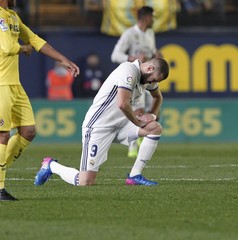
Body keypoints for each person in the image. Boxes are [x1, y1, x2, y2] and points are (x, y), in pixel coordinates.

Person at [34, 57, 169, 187]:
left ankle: (135, 176)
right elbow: (122, 104)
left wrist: (152, 115)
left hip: (122, 124)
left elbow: (158, 97)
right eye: (153, 79)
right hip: (98, 127)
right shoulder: (129, 70)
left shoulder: (146, 78)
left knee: (154, 127)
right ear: (150, 68)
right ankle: (51, 165)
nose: (152, 83)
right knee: (85, 182)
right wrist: (138, 122)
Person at [0, 0, 80, 201]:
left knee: (28, 131)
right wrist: (23, 49)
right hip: (1, 84)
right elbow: (8, 46)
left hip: (14, 85)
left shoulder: (12, 16)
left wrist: (63, 59)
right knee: (2, 134)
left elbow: (35, 39)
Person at [111, 6, 163, 158]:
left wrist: (156, 54)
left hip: (147, 79)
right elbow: (115, 55)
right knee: (138, 111)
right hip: (132, 78)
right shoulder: (129, 34)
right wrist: (131, 58)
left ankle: (140, 141)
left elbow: (150, 52)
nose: (153, 20)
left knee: (148, 111)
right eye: (152, 17)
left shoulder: (150, 33)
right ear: (146, 17)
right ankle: (132, 146)